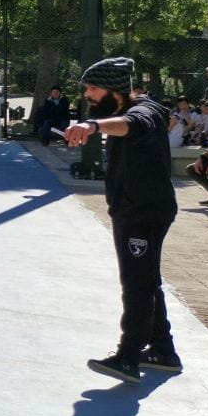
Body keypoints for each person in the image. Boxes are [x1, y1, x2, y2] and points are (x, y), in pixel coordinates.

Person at [63, 57, 181, 384]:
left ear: (115, 90)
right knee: (146, 279)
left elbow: (134, 124)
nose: (87, 94)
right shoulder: (133, 109)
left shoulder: (144, 111)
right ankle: (163, 350)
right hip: (136, 210)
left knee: (137, 284)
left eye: (93, 88)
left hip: (143, 214)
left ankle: (128, 357)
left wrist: (93, 127)